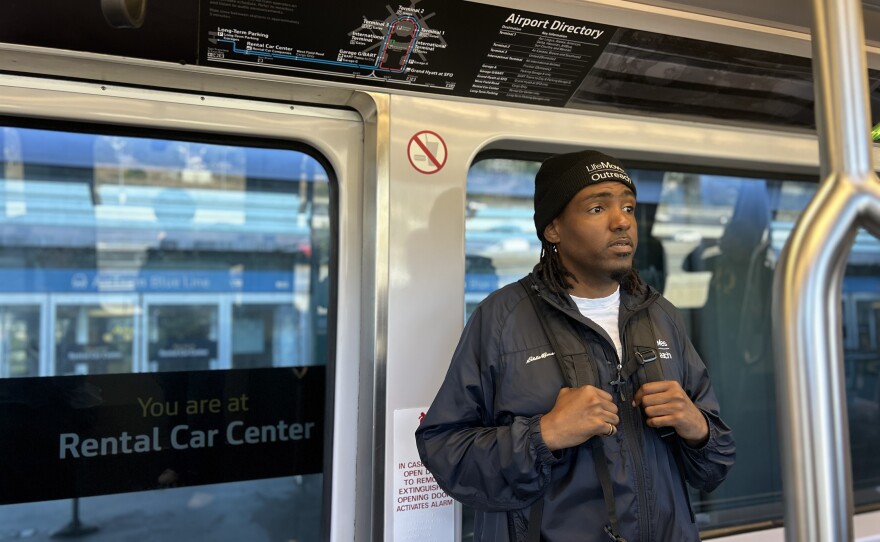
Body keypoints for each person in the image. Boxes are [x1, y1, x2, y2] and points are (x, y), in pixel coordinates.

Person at [415, 150, 735, 542]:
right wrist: (543, 434)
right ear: (553, 229)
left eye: (629, 207)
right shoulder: (502, 318)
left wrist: (696, 426)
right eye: (598, 207)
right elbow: (445, 450)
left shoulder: (660, 314)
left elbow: (716, 464)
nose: (622, 222)